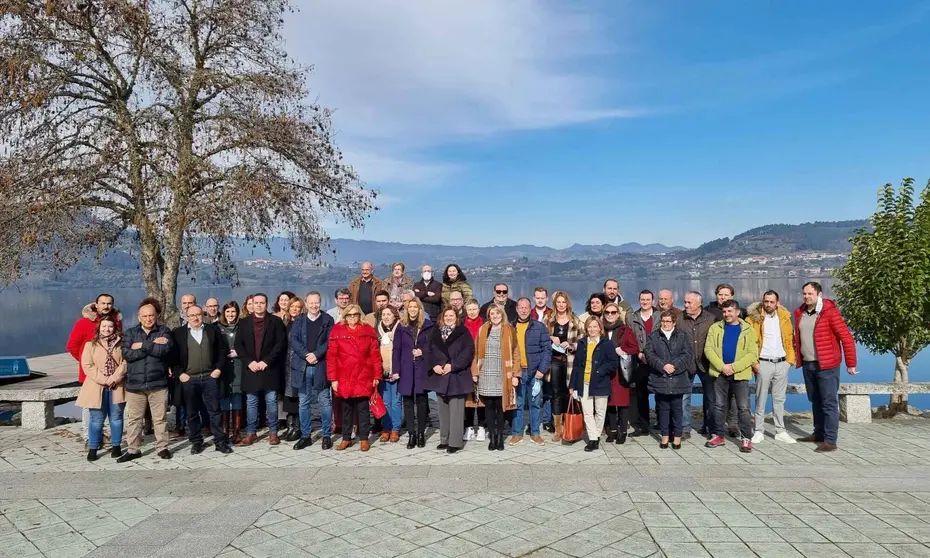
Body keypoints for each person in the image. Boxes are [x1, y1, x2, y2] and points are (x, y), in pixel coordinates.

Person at [793, 281, 857, 452]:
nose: (806, 296)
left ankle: (830, 440)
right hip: (808, 364)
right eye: (804, 294)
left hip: (827, 365)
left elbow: (846, 338)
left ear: (819, 295)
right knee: (814, 400)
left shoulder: (830, 313)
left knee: (829, 402)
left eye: (810, 294)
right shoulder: (800, 313)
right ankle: (819, 433)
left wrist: (851, 364)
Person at [170, 305, 232, 455]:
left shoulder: (212, 330)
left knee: (215, 411)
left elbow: (223, 351)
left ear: (203, 315)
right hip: (189, 379)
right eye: (192, 315)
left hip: (210, 377)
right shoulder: (178, 333)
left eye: (198, 314)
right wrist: (180, 374)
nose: (195, 318)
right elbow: (172, 357)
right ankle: (196, 441)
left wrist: (218, 369)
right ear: (186, 316)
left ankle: (219, 441)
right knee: (191, 412)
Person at [118, 298, 173, 462]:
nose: (148, 318)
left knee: (160, 418)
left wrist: (140, 345)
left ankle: (162, 447)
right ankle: (133, 449)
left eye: (151, 315)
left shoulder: (164, 331)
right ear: (139, 317)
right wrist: (151, 344)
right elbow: (127, 354)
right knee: (134, 419)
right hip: (135, 385)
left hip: (158, 383)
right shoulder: (130, 333)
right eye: (145, 316)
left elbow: (164, 351)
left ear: (156, 315)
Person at [66, 293, 123, 442]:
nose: (106, 306)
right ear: (96, 305)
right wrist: (87, 362)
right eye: (103, 303)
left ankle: (109, 437)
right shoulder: (83, 323)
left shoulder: (116, 322)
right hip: (90, 375)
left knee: (113, 408)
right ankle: (88, 438)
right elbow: (72, 346)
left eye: (109, 303)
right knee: (89, 407)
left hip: (113, 376)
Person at [704, 300, 759, 452]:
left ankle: (746, 438)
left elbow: (752, 354)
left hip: (740, 374)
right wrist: (722, 366)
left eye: (730, 311)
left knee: (743, 408)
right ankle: (718, 435)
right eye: (724, 312)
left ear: (737, 312)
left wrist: (734, 367)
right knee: (719, 406)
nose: (727, 314)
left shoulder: (748, 330)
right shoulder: (715, 328)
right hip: (720, 372)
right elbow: (709, 349)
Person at [234, 293, 288, 447]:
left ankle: (273, 433)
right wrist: (249, 362)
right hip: (251, 368)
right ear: (251, 304)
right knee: (251, 401)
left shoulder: (275, 322)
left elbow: (280, 344)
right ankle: (251, 433)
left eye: (262, 303)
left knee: (271, 400)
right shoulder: (244, 323)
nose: (258, 305)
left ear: (266, 304)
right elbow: (239, 345)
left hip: (269, 368)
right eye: (256, 302)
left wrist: (266, 361)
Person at [746, 290, 797, 445]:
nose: (768, 304)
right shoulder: (752, 319)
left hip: (782, 362)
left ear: (777, 302)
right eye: (765, 301)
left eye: (771, 302)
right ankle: (759, 431)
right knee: (760, 398)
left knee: (779, 399)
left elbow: (790, 339)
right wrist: (755, 363)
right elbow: (749, 343)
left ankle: (780, 430)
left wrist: (789, 361)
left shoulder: (785, 317)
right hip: (763, 363)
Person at [328, 304, 381, 451]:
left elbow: (375, 355)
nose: (352, 318)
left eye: (355, 315)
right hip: (344, 376)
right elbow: (331, 357)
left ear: (359, 315)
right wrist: (333, 379)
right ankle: (346, 438)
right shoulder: (337, 330)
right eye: (349, 315)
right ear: (345, 316)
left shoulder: (368, 331)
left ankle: (364, 438)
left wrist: (377, 374)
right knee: (346, 409)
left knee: (363, 409)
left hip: (364, 374)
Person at [425, 306, 475, 454]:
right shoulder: (435, 332)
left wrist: (452, 366)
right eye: (446, 315)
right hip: (440, 374)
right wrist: (434, 365)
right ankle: (444, 439)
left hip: (456, 375)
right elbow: (428, 350)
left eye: (451, 315)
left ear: (456, 317)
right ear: (442, 317)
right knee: (443, 411)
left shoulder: (463, 332)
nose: (448, 318)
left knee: (456, 411)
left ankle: (455, 442)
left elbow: (468, 352)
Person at [289, 291, 335, 450]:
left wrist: (316, 354)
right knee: (304, 402)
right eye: (311, 303)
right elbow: (293, 339)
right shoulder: (299, 320)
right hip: (302, 366)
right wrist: (306, 355)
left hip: (320, 365)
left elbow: (330, 341)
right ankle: (305, 435)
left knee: (324, 401)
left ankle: (327, 435)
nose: (314, 306)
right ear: (306, 303)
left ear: (320, 302)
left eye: (317, 302)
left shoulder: (328, 320)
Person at [77, 315, 126, 461]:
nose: (107, 329)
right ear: (99, 327)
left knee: (116, 417)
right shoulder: (90, 345)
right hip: (96, 386)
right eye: (104, 326)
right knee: (96, 419)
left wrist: (114, 378)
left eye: (110, 326)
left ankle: (116, 446)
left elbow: (125, 363)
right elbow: (87, 365)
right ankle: (93, 447)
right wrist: (104, 379)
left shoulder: (122, 344)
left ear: (115, 327)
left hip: (116, 385)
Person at [472, 305, 520, 451]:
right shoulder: (483, 330)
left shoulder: (509, 330)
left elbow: (516, 353)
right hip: (486, 373)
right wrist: (475, 372)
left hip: (503, 374)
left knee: (501, 408)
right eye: (492, 313)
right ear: (488, 315)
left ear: (502, 314)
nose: (495, 315)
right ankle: (492, 437)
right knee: (489, 408)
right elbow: (475, 353)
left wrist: (516, 375)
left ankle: (500, 437)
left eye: (497, 313)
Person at [645, 310, 693, 450]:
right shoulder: (653, 336)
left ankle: (677, 436)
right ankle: (665, 435)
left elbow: (687, 354)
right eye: (663, 321)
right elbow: (649, 354)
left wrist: (675, 366)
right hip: (660, 377)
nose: (665, 324)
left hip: (678, 377)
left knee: (677, 408)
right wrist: (663, 366)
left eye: (668, 321)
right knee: (663, 408)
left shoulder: (682, 336)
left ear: (674, 322)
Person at [568, 316, 618, 452]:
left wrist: (601, 370)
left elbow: (614, 363)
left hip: (601, 382)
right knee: (588, 412)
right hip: (584, 382)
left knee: (600, 412)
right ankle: (593, 439)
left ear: (600, 328)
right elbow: (577, 366)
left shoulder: (606, 343)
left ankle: (595, 436)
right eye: (590, 326)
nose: (592, 329)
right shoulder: (582, 343)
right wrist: (572, 385)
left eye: (595, 326)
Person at [509, 298, 551, 446]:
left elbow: (547, 350)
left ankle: (535, 432)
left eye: (526, 307)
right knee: (518, 404)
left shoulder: (539, 327)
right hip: (518, 372)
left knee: (535, 403)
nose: (524, 310)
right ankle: (517, 433)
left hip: (534, 372)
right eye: (521, 307)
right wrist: (512, 373)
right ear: (516, 309)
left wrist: (542, 370)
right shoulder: (510, 327)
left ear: (530, 309)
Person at [394, 299, 434, 449]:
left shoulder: (428, 325)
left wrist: (422, 351)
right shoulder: (401, 326)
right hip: (405, 368)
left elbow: (432, 346)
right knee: (408, 402)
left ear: (419, 308)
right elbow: (396, 349)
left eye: (415, 307)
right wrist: (396, 370)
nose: (412, 309)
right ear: (406, 308)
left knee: (422, 401)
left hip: (421, 367)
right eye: (409, 307)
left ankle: (421, 434)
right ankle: (411, 434)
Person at [678, 291, 715, 440]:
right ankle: (684, 428)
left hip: (706, 363)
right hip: (686, 363)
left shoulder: (710, 319)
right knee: (684, 397)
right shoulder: (679, 319)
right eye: (685, 302)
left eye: (689, 302)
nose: (686, 305)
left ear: (699, 303)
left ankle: (710, 426)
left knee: (711, 397)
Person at [545, 291, 582, 443]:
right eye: (558, 302)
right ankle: (558, 428)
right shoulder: (548, 320)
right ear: (555, 304)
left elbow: (583, 341)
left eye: (563, 302)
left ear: (567, 304)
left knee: (569, 392)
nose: (561, 305)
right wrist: (549, 338)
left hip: (570, 360)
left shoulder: (575, 320)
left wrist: (572, 345)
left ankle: (570, 424)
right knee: (556, 394)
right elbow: (540, 339)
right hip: (554, 360)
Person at [603, 302, 639, 445]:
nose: (610, 315)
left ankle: (623, 431)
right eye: (607, 312)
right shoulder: (601, 330)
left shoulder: (626, 330)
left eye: (613, 312)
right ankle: (612, 430)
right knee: (610, 402)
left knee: (622, 403)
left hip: (621, 371)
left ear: (618, 314)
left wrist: (622, 351)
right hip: (606, 372)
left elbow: (634, 348)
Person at [627, 290, 657, 437]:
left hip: (657, 360)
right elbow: (630, 338)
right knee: (641, 394)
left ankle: (663, 423)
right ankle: (643, 426)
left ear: (653, 300)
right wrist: (639, 353)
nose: (645, 302)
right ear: (639, 300)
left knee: (661, 393)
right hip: (639, 361)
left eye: (648, 299)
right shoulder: (632, 318)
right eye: (642, 299)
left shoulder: (659, 317)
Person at [217, 301, 244, 444]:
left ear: (237, 312)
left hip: (239, 365)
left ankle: (237, 430)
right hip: (224, 367)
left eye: (233, 311)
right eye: (227, 312)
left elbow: (248, 345)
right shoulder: (217, 328)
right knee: (225, 397)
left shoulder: (243, 326)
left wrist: (239, 352)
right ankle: (225, 430)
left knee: (237, 397)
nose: (230, 314)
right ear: (223, 313)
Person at [376, 306, 402, 442]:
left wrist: (398, 369)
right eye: (384, 314)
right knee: (385, 401)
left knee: (396, 402)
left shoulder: (400, 330)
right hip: (383, 371)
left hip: (396, 371)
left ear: (394, 316)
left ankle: (395, 429)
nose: (386, 317)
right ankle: (386, 427)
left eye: (389, 314)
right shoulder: (378, 331)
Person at [281, 296, 305, 442]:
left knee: (297, 396)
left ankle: (298, 428)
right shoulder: (286, 322)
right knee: (288, 396)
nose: (295, 309)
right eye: (292, 307)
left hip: (298, 363)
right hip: (286, 363)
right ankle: (290, 426)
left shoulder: (303, 324)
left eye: (298, 307)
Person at [462, 299, 486, 441]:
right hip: (466, 364)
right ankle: (469, 427)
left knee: (482, 397)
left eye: (474, 309)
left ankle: (482, 427)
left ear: (478, 309)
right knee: (469, 398)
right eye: (469, 309)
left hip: (482, 364)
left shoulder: (484, 324)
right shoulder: (462, 325)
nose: (472, 312)